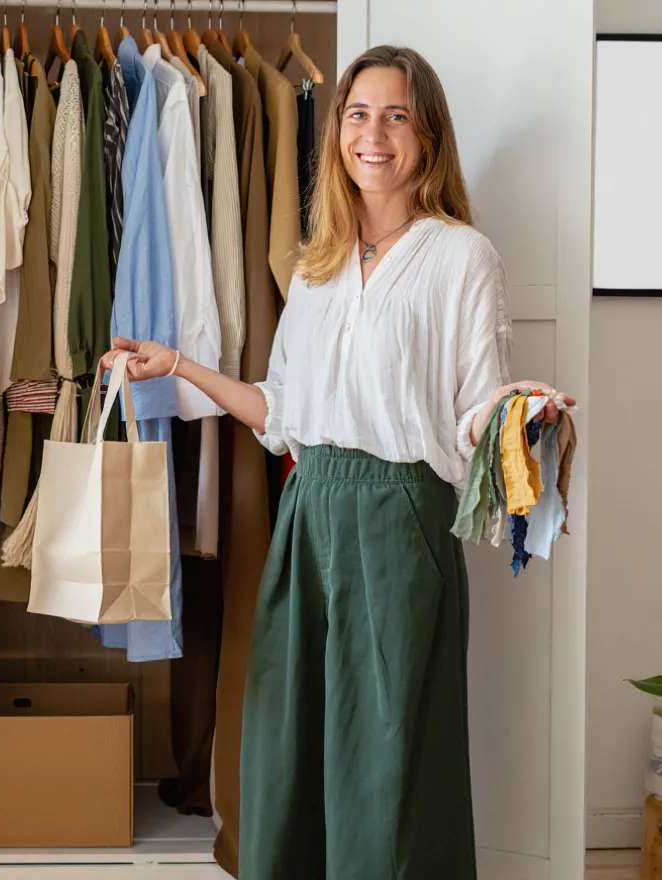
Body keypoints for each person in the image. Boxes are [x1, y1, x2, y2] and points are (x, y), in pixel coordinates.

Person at [101, 45, 576, 879]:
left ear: (427, 136)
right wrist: (177, 365)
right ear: (337, 135)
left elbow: (472, 410)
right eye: (358, 114)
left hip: (402, 521)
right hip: (308, 519)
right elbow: (280, 415)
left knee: (388, 756)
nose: (374, 134)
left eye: (396, 115)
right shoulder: (313, 265)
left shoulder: (464, 257)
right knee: (290, 743)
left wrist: (515, 411)